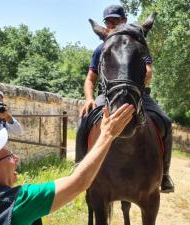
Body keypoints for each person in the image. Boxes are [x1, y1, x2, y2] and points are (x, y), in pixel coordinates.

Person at [0, 104, 135, 225]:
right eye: (9, 155)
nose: (16, 159)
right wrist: (107, 135)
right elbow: (79, 182)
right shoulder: (19, 202)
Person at [79, 4, 174, 192]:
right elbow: (90, 79)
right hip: (108, 95)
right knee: (83, 120)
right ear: (105, 25)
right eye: (109, 22)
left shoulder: (137, 43)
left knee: (166, 122)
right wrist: (89, 99)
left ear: (124, 20)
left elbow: (148, 72)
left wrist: (136, 83)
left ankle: (164, 175)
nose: (112, 24)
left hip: (137, 93)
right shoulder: (100, 49)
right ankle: (79, 166)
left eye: (116, 20)